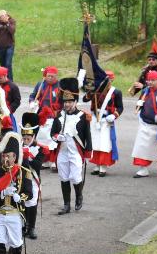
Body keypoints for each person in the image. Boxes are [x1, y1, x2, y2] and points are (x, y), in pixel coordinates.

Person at [50, 77, 92, 213]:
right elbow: (52, 133)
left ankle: (79, 196)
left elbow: (87, 136)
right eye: (65, 102)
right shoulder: (58, 116)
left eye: (70, 102)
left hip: (76, 152)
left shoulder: (83, 117)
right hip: (62, 152)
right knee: (64, 177)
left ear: (75, 102)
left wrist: (88, 153)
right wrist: (57, 137)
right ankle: (66, 204)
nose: (67, 105)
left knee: (75, 177)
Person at [132, 70, 157, 180]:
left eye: (153, 80)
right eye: (149, 80)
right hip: (145, 123)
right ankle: (142, 169)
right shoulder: (145, 91)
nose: (150, 82)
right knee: (141, 147)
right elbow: (139, 106)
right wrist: (138, 105)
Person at [86, 70, 123, 178]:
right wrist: (89, 91)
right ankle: (97, 164)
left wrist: (114, 115)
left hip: (107, 120)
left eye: (108, 79)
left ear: (112, 79)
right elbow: (85, 98)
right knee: (95, 142)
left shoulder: (116, 92)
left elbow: (120, 107)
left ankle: (103, 166)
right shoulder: (95, 90)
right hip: (95, 119)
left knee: (105, 144)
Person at [19, 113, 46, 239]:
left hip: (33, 179)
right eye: (24, 136)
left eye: (28, 136)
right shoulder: (18, 147)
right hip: (20, 178)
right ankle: (24, 226)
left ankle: (32, 227)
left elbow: (38, 165)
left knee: (32, 202)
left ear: (33, 136)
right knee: (22, 202)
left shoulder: (39, 149)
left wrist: (28, 157)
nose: (26, 138)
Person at [0, 11, 16, 80]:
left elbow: (12, 31)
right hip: (0, 46)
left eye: (1, 17)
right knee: (3, 65)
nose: (0, 19)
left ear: (6, 15)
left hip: (9, 46)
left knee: (8, 64)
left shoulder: (12, 21)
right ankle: (4, 80)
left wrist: (7, 22)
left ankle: (10, 81)